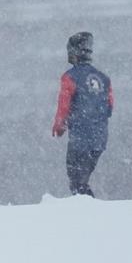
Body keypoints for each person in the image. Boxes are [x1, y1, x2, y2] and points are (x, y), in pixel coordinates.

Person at [52, 32, 114, 197]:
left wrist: (59, 124)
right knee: (83, 179)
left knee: (76, 180)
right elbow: (109, 108)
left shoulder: (69, 77)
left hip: (80, 138)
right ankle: (87, 208)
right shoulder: (104, 79)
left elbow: (63, 105)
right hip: (99, 139)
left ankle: (87, 212)